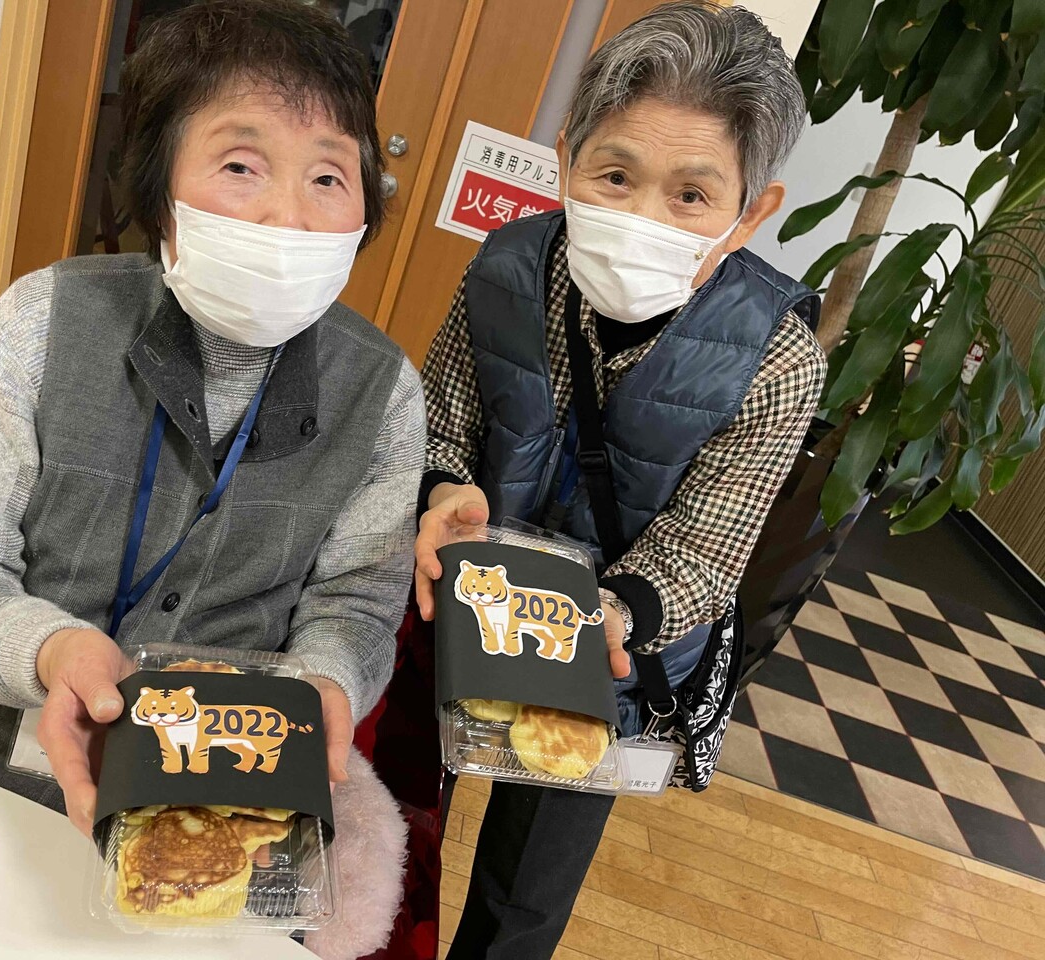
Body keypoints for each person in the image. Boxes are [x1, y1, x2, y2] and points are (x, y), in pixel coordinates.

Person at [0, 0, 425, 838]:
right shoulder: (40, 322)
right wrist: (51, 651)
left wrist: (325, 683)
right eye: (241, 165)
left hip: (219, 796)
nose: (289, 215)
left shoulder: (383, 394)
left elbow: (355, 604)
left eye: (327, 178)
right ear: (159, 189)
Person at [414, 3, 826, 956]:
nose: (642, 217)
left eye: (692, 195)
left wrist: (615, 614)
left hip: (616, 661)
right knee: (400, 824)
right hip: (468, 614)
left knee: (523, 899)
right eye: (614, 175)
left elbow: (707, 548)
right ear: (567, 158)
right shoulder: (507, 267)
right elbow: (443, 415)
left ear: (752, 210)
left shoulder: (777, 357)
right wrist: (442, 491)